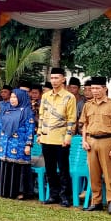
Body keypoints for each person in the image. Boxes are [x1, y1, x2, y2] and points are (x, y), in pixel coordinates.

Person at [38, 68, 78, 206]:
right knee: (49, 169)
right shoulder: (46, 96)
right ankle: (53, 194)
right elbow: (42, 115)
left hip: (61, 138)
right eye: (52, 78)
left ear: (63, 79)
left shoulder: (69, 97)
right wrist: (39, 133)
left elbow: (72, 118)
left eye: (57, 78)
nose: (54, 80)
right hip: (46, 137)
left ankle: (65, 196)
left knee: (63, 168)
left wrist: (68, 135)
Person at [79, 77, 111, 212]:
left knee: (109, 173)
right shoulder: (88, 104)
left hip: (107, 140)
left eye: (97, 88)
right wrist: (84, 140)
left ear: (105, 89)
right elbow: (85, 124)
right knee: (93, 173)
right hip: (91, 140)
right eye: (92, 88)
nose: (94, 91)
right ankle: (96, 201)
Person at [0, 88, 36, 200]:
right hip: (6, 143)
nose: (12, 100)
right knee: (6, 165)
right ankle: (5, 190)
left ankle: (21, 192)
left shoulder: (27, 112)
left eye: (15, 97)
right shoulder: (6, 110)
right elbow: (0, 126)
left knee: (20, 168)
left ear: (21, 98)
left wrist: (28, 144)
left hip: (19, 145)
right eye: (12, 97)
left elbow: (30, 128)